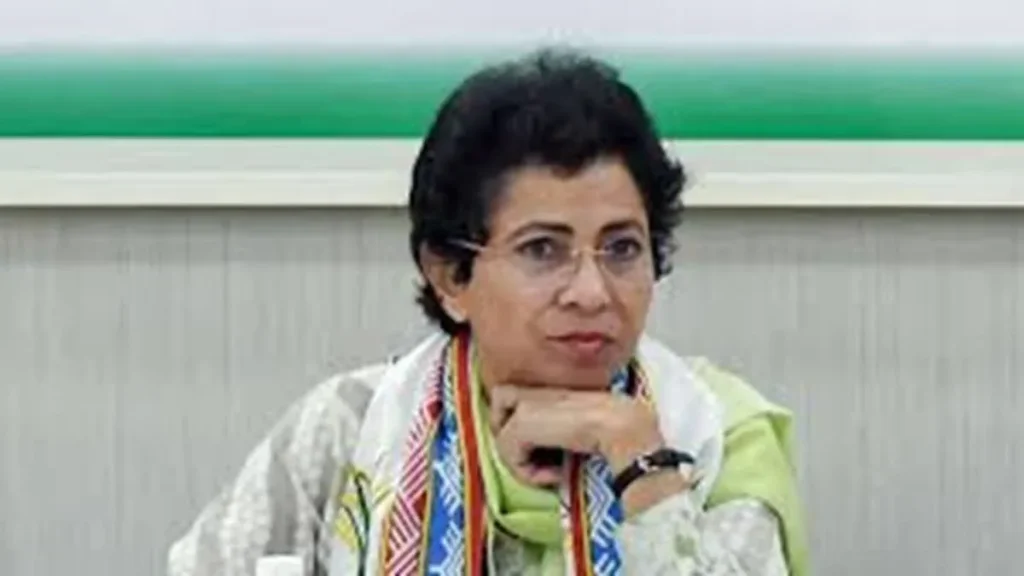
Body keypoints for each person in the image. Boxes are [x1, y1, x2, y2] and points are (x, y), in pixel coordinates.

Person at [168, 49, 808, 576]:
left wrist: (638, 458)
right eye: (543, 249)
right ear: (451, 275)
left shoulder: (716, 430)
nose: (592, 291)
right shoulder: (347, 428)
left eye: (621, 248)